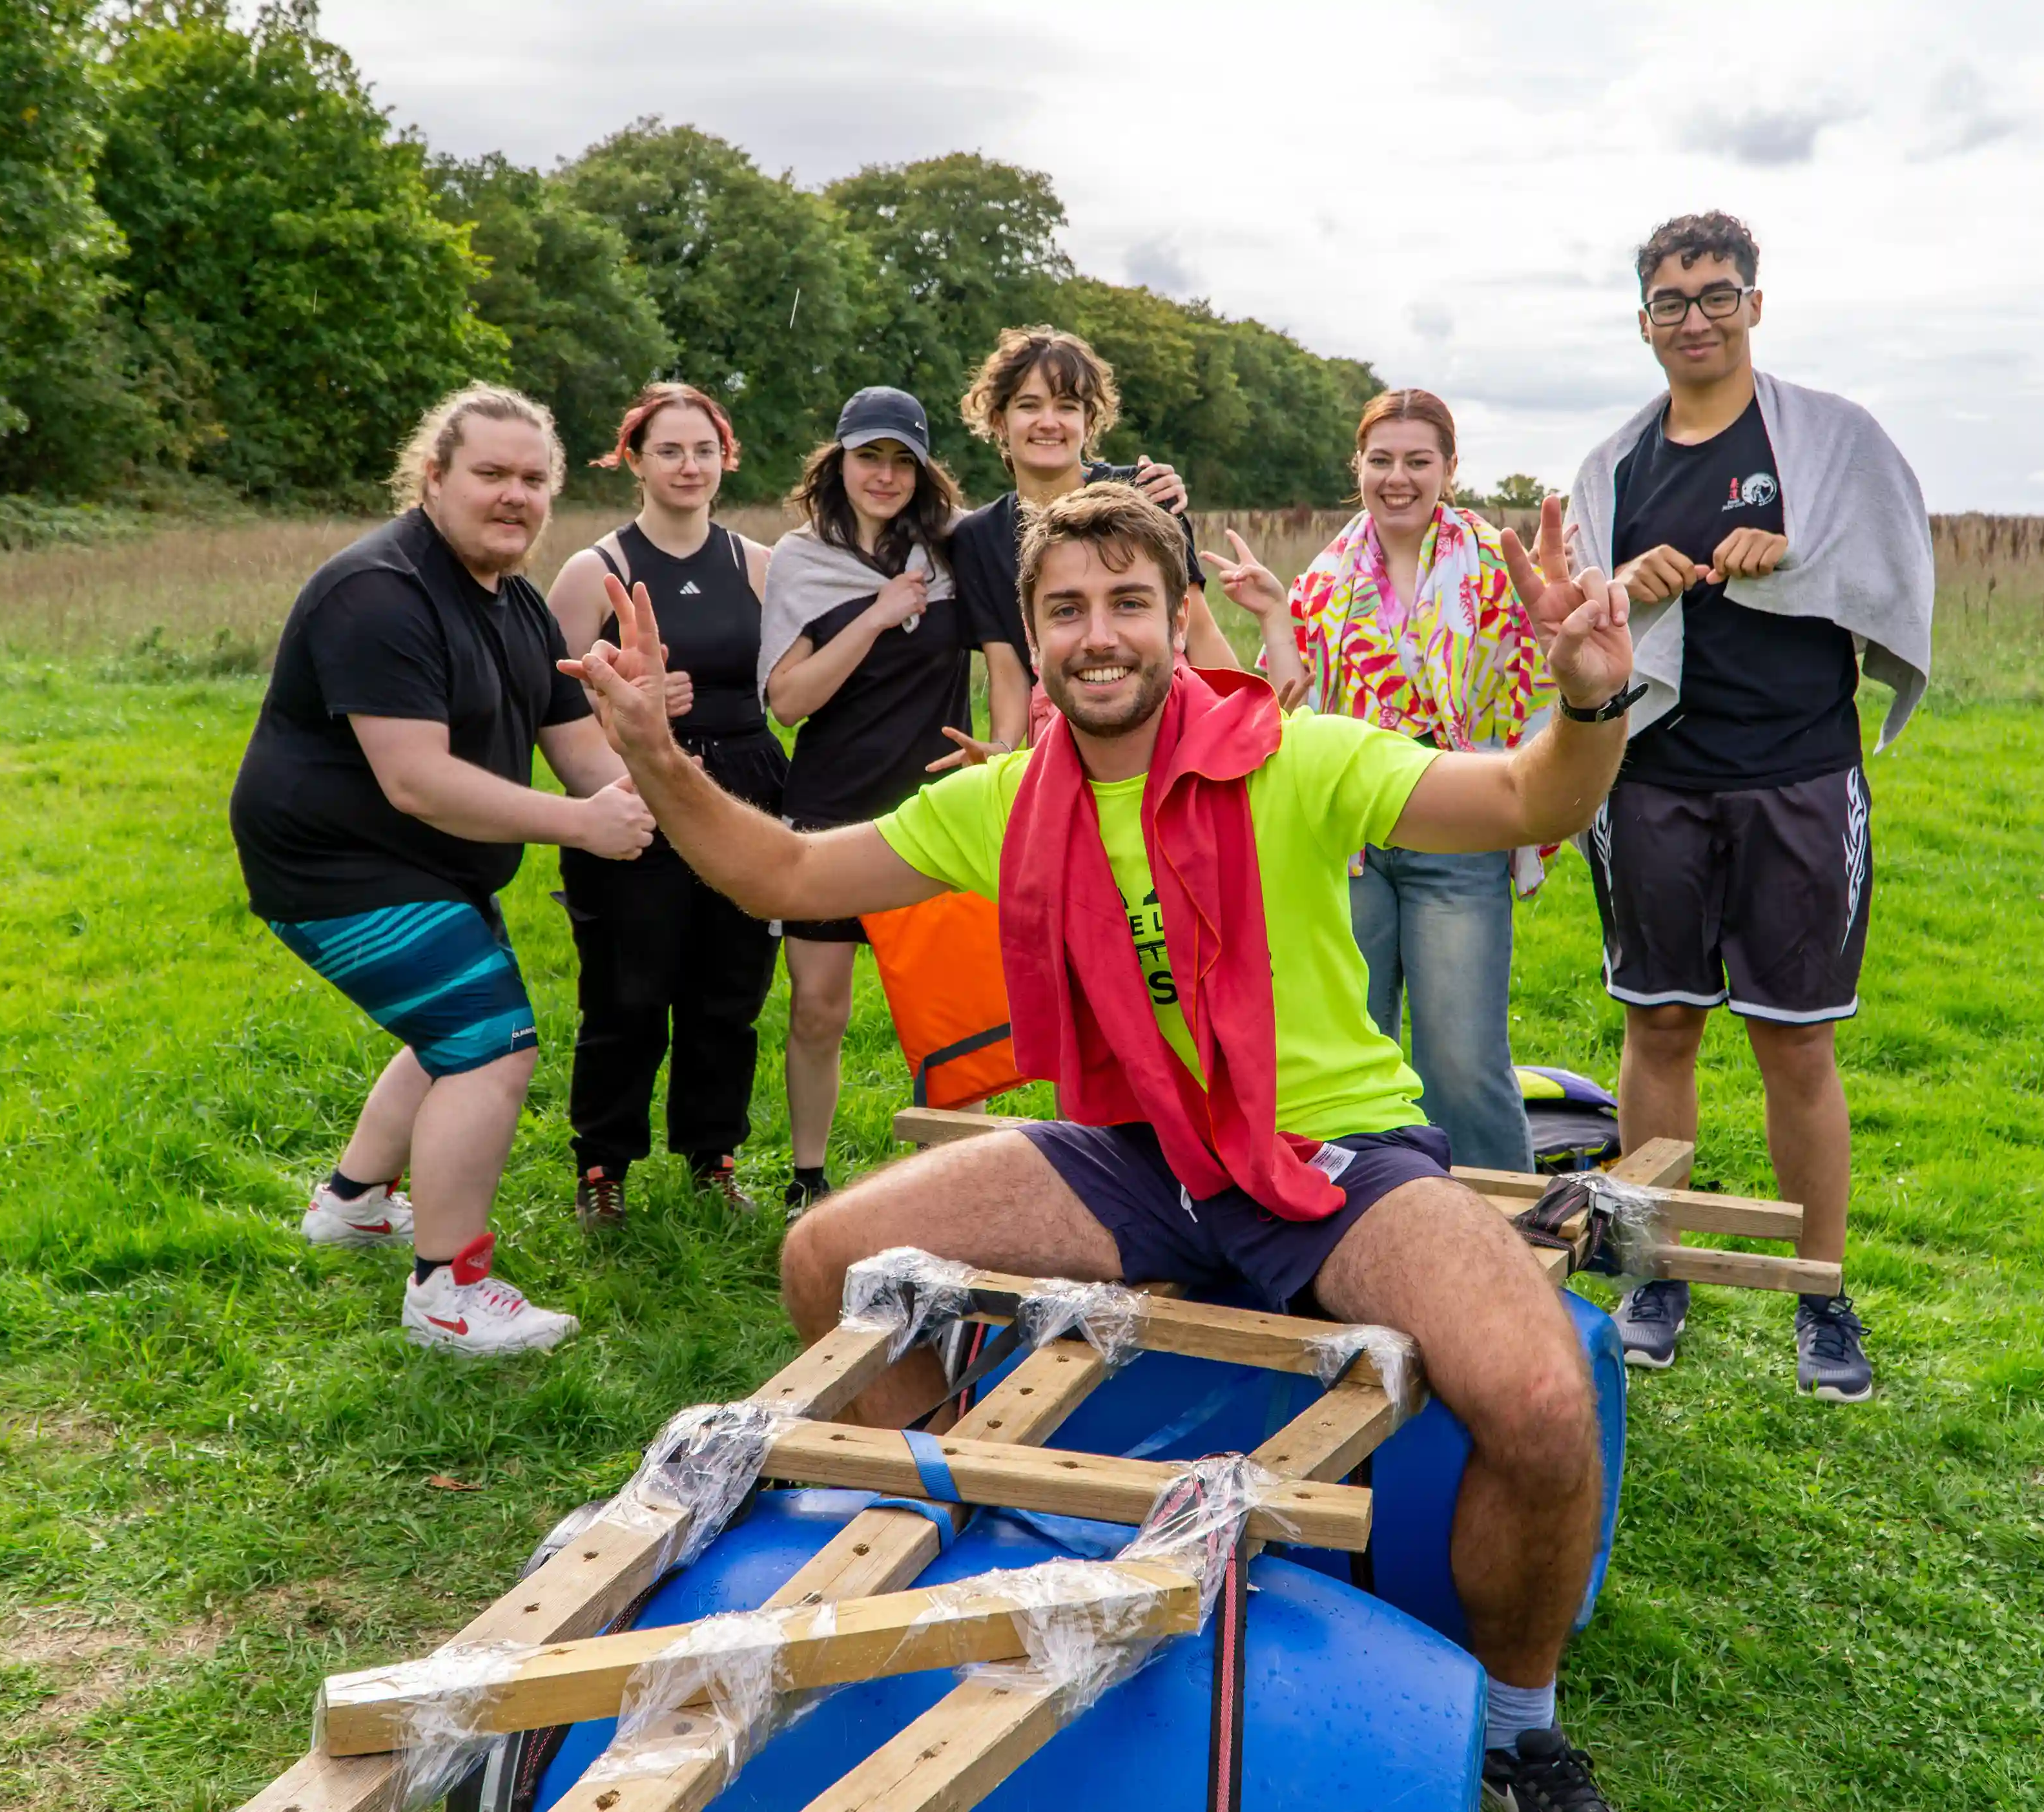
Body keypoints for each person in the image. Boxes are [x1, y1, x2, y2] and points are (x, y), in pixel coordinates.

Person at [568, 483, 1647, 1811]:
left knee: (1540, 1400)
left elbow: (1527, 797)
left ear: (1176, 616)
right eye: (1066, 608)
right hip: (1135, 1149)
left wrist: (1589, 699)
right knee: (828, 1257)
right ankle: (978, 1548)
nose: (1098, 634)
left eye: (1128, 602)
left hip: (1333, 1153)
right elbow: (781, 876)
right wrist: (654, 753)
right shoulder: (1005, 797)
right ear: (1030, 634)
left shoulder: (1298, 755)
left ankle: (1520, 1727)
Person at [1569, 213, 1934, 1403]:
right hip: (1652, 780)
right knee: (1660, 1026)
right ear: (1643, 322)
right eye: (1672, 302)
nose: (1696, 320)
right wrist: (1624, 585)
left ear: (1754, 305)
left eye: (1717, 295)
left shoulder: (1828, 442)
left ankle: (1820, 1295)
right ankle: (1653, 1270)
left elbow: (1880, 562)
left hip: (1798, 776)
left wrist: (1795, 552)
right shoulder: (1614, 466)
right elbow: (1581, 617)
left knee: (1796, 1041)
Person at [229, 382, 656, 1355]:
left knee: (450, 1030)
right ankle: (447, 1294)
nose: (515, 496)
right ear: (433, 478)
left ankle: (353, 1204)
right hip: (335, 867)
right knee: (490, 1044)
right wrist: (582, 828)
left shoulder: (518, 604)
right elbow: (416, 780)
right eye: (491, 474)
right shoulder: (378, 593)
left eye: (533, 479)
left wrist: (654, 780)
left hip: (427, 865)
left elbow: (581, 754)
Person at [1204, 388, 1553, 1173]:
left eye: (1417, 461)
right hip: (1350, 838)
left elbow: (1539, 689)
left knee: (1460, 1061)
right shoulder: (1325, 578)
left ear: (1449, 469)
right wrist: (1273, 616)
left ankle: (1505, 1225)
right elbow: (1286, 709)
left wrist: (1525, 805)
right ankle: (1366, 1211)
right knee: (1349, 1046)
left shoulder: (1497, 568)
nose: (1398, 479)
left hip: (1455, 825)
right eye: (1381, 460)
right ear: (1356, 466)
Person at [757, 386, 1017, 1211]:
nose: (884, 474)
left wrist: (1004, 753)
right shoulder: (800, 557)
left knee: (953, 1019)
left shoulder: (954, 548)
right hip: (829, 814)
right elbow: (788, 701)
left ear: (924, 469)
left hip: (936, 815)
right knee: (817, 1010)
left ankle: (956, 1190)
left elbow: (1011, 642)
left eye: (903, 460)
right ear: (837, 461)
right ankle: (808, 1180)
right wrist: (873, 616)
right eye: (868, 456)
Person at [545, 384, 778, 1227]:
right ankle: (602, 1167)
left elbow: (789, 686)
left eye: (704, 450)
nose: (689, 466)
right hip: (634, 792)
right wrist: (623, 704)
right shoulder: (593, 570)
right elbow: (552, 703)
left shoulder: (759, 564)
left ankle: (713, 1158)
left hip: (743, 791)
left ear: (726, 460)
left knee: (730, 992)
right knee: (628, 994)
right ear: (633, 462)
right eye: (669, 450)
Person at [947, 324, 1307, 720]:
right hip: (1061, 723)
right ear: (999, 420)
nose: (1049, 422)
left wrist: (1246, 719)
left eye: (1067, 407)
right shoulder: (977, 537)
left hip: (1165, 711)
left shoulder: (1144, 491)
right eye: (1029, 406)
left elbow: (1197, 629)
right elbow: (1007, 672)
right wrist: (1003, 748)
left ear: (1088, 421)